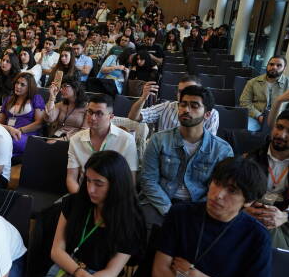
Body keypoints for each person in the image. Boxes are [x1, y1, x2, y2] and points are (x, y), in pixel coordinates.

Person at [134, 156, 272, 277]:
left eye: (231, 190)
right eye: (216, 183)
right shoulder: (181, 214)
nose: (218, 194)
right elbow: (160, 273)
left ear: (248, 201)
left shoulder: (257, 236)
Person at [28, 151, 145, 277]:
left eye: (99, 184)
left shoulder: (130, 219)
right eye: (88, 180)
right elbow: (57, 251)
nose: (90, 189)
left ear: (116, 185)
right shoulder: (75, 202)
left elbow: (111, 273)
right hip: (65, 268)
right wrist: (81, 276)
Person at [139, 85, 233, 225]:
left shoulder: (222, 150)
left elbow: (219, 190)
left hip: (199, 206)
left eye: (194, 106)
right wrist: (169, 210)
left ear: (207, 114)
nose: (186, 110)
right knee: (146, 224)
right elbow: (148, 180)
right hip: (160, 201)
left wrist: (192, 212)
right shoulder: (159, 140)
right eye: (183, 105)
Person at [67, 94, 138, 194]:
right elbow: (71, 179)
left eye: (99, 114)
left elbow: (131, 181)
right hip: (84, 193)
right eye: (90, 112)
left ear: (111, 117)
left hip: (115, 194)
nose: (92, 118)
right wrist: (80, 199)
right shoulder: (76, 140)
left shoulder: (127, 140)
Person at [245, 109, 289, 249]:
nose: (281, 135)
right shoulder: (251, 158)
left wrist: (285, 216)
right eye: (279, 127)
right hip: (251, 215)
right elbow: (237, 191)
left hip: (286, 223)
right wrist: (244, 209)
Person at [128, 75, 220, 135]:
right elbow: (133, 117)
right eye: (180, 92)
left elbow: (208, 145)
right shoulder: (166, 107)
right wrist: (143, 98)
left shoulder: (211, 113)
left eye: (189, 91)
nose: (184, 95)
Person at [0, 72, 45, 158]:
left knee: (8, 142)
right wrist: (9, 130)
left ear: (29, 87)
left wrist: (19, 130)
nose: (18, 86)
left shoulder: (36, 98)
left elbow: (39, 123)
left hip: (26, 134)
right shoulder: (9, 99)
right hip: (8, 133)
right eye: (17, 83)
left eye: (22, 85)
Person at [240, 55, 289, 131]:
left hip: (280, 121)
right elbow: (244, 102)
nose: (274, 67)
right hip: (256, 118)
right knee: (244, 129)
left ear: (284, 68)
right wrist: (258, 116)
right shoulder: (252, 82)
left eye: (279, 65)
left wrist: (282, 120)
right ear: (267, 65)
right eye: (271, 64)